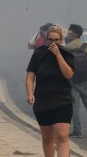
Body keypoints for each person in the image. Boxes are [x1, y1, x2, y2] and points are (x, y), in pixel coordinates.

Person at [25, 24, 75, 157]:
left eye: (56, 40)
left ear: (61, 40)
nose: (53, 42)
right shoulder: (39, 53)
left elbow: (68, 74)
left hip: (62, 100)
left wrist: (58, 55)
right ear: (46, 39)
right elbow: (30, 75)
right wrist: (30, 93)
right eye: (50, 40)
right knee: (48, 138)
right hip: (42, 100)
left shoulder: (67, 54)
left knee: (62, 136)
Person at [64, 24, 87, 138]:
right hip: (85, 80)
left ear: (73, 34)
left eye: (69, 32)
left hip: (72, 80)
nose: (68, 34)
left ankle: (77, 131)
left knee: (75, 106)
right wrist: (86, 70)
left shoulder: (67, 47)